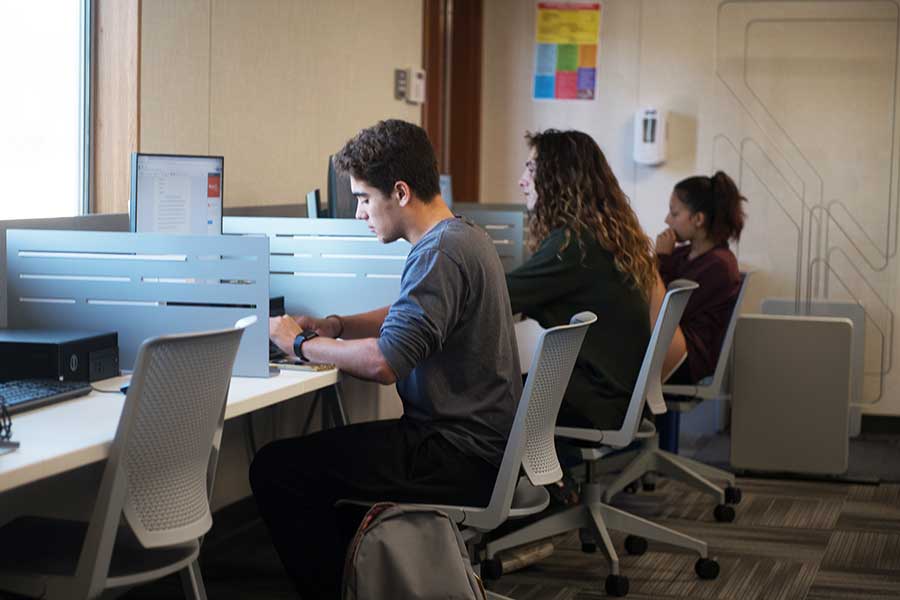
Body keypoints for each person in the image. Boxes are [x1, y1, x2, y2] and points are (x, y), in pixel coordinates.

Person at [251, 119, 522, 598]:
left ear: (399, 192)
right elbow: (409, 315)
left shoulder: (441, 253)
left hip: (455, 452)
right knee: (318, 467)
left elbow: (383, 364)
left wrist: (297, 344)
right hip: (478, 444)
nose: (358, 213)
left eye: (363, 198)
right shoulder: (461, 237)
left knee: (277, 470)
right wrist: (337, 326)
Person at [505, 129, 657, 433]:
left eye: (532, 169)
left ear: (560, 179)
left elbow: (496, 296)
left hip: (597, 402)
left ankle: (511, 479)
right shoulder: (597, 238)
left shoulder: (574, 246)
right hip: (614, 396)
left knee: (477, 399)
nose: (522, 179)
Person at [655, 171, 746, 385]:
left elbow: (668, 309)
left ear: (698, 219)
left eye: (674, 214)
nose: (667, 220)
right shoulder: (681, 254)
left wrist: (661, 259)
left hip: (688, 358)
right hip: (667, 345)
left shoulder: (719, 266)